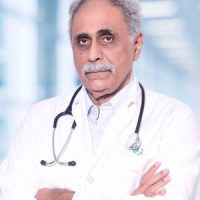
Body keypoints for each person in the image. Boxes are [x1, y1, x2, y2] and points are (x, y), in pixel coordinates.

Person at [0, 0, 200, 199]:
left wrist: (59, 196)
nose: (93, 55)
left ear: (136, 46)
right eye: (83, 41)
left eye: (107, 39)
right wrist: (131, 195)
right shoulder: (39, 118)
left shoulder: (175, 120)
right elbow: (10, 194)